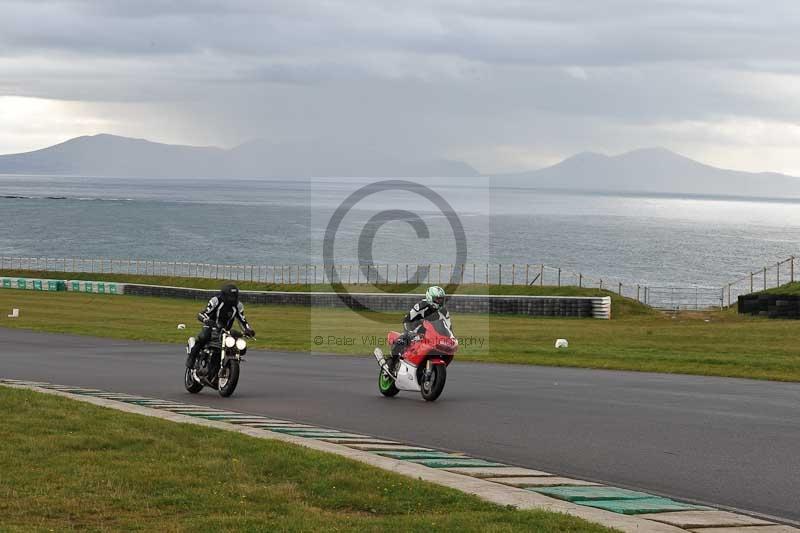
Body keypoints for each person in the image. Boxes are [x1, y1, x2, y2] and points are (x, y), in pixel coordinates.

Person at [186, 283, 255, 372]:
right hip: (211, 326)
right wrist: (207, 320)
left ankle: (226, 366)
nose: (232, 299)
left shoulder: (238, 306)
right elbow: (202, 314)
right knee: (204, 337)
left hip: (226, 331)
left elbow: (243, 320)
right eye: (230, 297)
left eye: (234, 296)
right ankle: (191, 359)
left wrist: (248, 330)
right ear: (225, 295)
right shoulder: (216, 301)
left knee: (240, 348)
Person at [392, 286, 453, 358]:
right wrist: (409, 332)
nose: (440, 302)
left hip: (430, 333)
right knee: (403, 340)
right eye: (437, 299)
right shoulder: (420, 306)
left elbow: (448, 327)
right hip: (414, 329)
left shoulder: (444, 311)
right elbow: (407, 320)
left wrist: (451, 337)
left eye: (441, 299)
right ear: (430, 298)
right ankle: (393, 359)